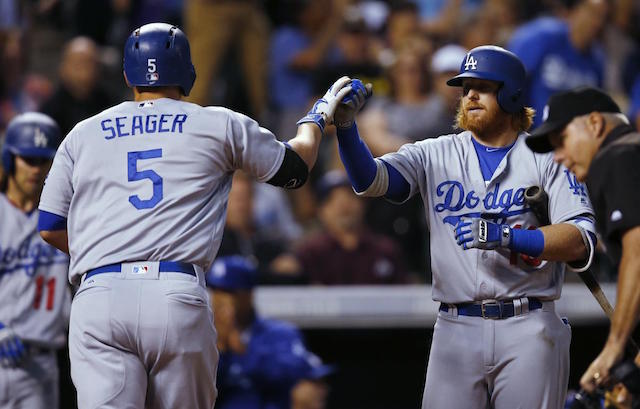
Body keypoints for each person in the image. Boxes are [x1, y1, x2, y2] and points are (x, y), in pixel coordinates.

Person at [36, 22, 354, 409]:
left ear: (126, 75)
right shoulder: (216, 123)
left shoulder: (82, 134)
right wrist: (315, 120)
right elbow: (294, 170)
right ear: (189, 72)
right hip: (174, 293)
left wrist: (103, 254)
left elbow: (50, 226)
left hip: (99, 295)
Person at [333, 46, 598, 408]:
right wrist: (347, 129)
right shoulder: (434, 152)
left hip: (528, 323)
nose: (469, 95)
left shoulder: (549, 158)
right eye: (465, 87)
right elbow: (372, 181)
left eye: (482, 86)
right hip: (455, 325)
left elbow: (579, 240)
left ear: (512, 93)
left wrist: (508, 237)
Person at [525, 87, 640, 397]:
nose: (559, 158)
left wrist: (614, 348)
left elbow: (639, 253)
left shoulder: (617, 156)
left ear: (594, 123)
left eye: (561, 141)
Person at [0, 112, 70, 409]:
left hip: (41, 365)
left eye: (44, 161)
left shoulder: (67, 219)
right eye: (28, 159)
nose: (36, 169)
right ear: (9, 159)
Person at [206, 255, 330, 409]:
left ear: (249, 294)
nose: (219, 299)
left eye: (229, 291)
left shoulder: (280, 332)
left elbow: (296, 372)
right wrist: (221, 348)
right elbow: (201, 389)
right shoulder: (205, 337)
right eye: (215, 291)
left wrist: (244, 354)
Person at [295, 170, 408, 285]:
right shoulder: (309, 253)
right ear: (320, 211)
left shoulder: (386, 251)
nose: (343, 205)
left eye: (350, 196)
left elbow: (405, 294)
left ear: (363, 203)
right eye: (331, 199)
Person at [508, 0, 608, 128]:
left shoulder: (597, 61)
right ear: (574, 11)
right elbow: (510, 77)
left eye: (602, 17)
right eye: (592, 13)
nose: (597, 22)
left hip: (570, 142)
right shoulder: (542, 36)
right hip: (530, 132)